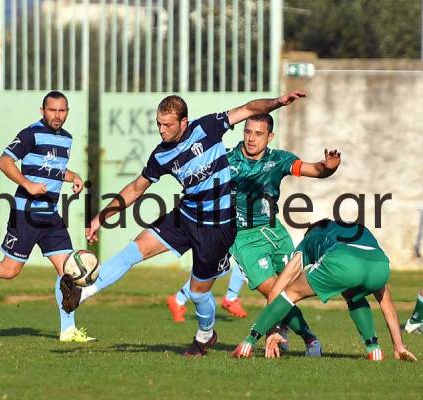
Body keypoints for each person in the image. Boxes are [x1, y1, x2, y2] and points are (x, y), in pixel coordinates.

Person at [60, 91, 306, 356]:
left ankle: (205, 336)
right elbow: (135, 188)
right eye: (158, 124)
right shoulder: (161, 155)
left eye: (168, 125)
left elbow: (248, 108)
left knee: (198, 294)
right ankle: (82, 294)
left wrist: (277, 103)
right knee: (133, 251)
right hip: (185, 216)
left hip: (218, 228)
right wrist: (101, 217)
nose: (162, 130)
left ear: (184, 122)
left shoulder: (208, 128)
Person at [168, 113, 341, 356]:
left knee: (291, 289)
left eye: (258, 134)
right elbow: (198, 181)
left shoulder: (280, 160)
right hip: (243, 238)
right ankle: (310, 339)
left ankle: (278, 327)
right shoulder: (227, 160)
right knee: (274, 291)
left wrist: (327, 168)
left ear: (270, 136)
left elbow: (313, 169)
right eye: (248, 132)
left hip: (275, 232)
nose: (251, 138)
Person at [0, 91, 95, 343]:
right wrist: (27, 184)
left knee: (68, 272)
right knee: (9, 270)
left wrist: (73, 177)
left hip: (51, 216)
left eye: (62, 111)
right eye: (52, 110)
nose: (57, 115)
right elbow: (4, 161)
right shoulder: (30, 134)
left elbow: (56, 170)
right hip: (26, 213)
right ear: (42, 110)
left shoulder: (67, 139)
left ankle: (68, 330)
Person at [231, 219, 418, 362]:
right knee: (353, 292)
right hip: (380, 265)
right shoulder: (357, 229)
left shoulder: (310, 239)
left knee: (291, 293)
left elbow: (276, 291)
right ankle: (374, 349)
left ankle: (247, 344)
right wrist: (399, 346)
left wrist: (271, 330)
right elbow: (388, 305)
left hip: (344, 262)